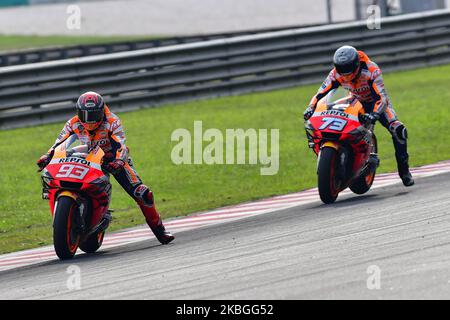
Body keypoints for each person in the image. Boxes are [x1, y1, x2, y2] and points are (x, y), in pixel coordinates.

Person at [37, 91, 175, 244]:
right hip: (86, 155)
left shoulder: (112, 122)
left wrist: (118, 162)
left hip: (111, 159)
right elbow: (59, 142)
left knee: (142, 193)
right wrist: (47, 156)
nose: (89, 120)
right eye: (85, 114)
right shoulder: (73, 123)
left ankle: (160, 231)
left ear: (102, 111)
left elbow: (121, 146)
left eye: (94, 114)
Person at [304, 45, 414, 186]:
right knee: (330, 123)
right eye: (341, 70)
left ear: (356, 64)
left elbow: (382, 97)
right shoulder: (335, 74)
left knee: (399, 130)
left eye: (348, 70)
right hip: (354, 101)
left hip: (376, 103)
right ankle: (336, 159)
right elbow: (321, 92)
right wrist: (310, 106)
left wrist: (375, 114)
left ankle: (404, 172)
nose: (346, 76)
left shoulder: (371, 70)